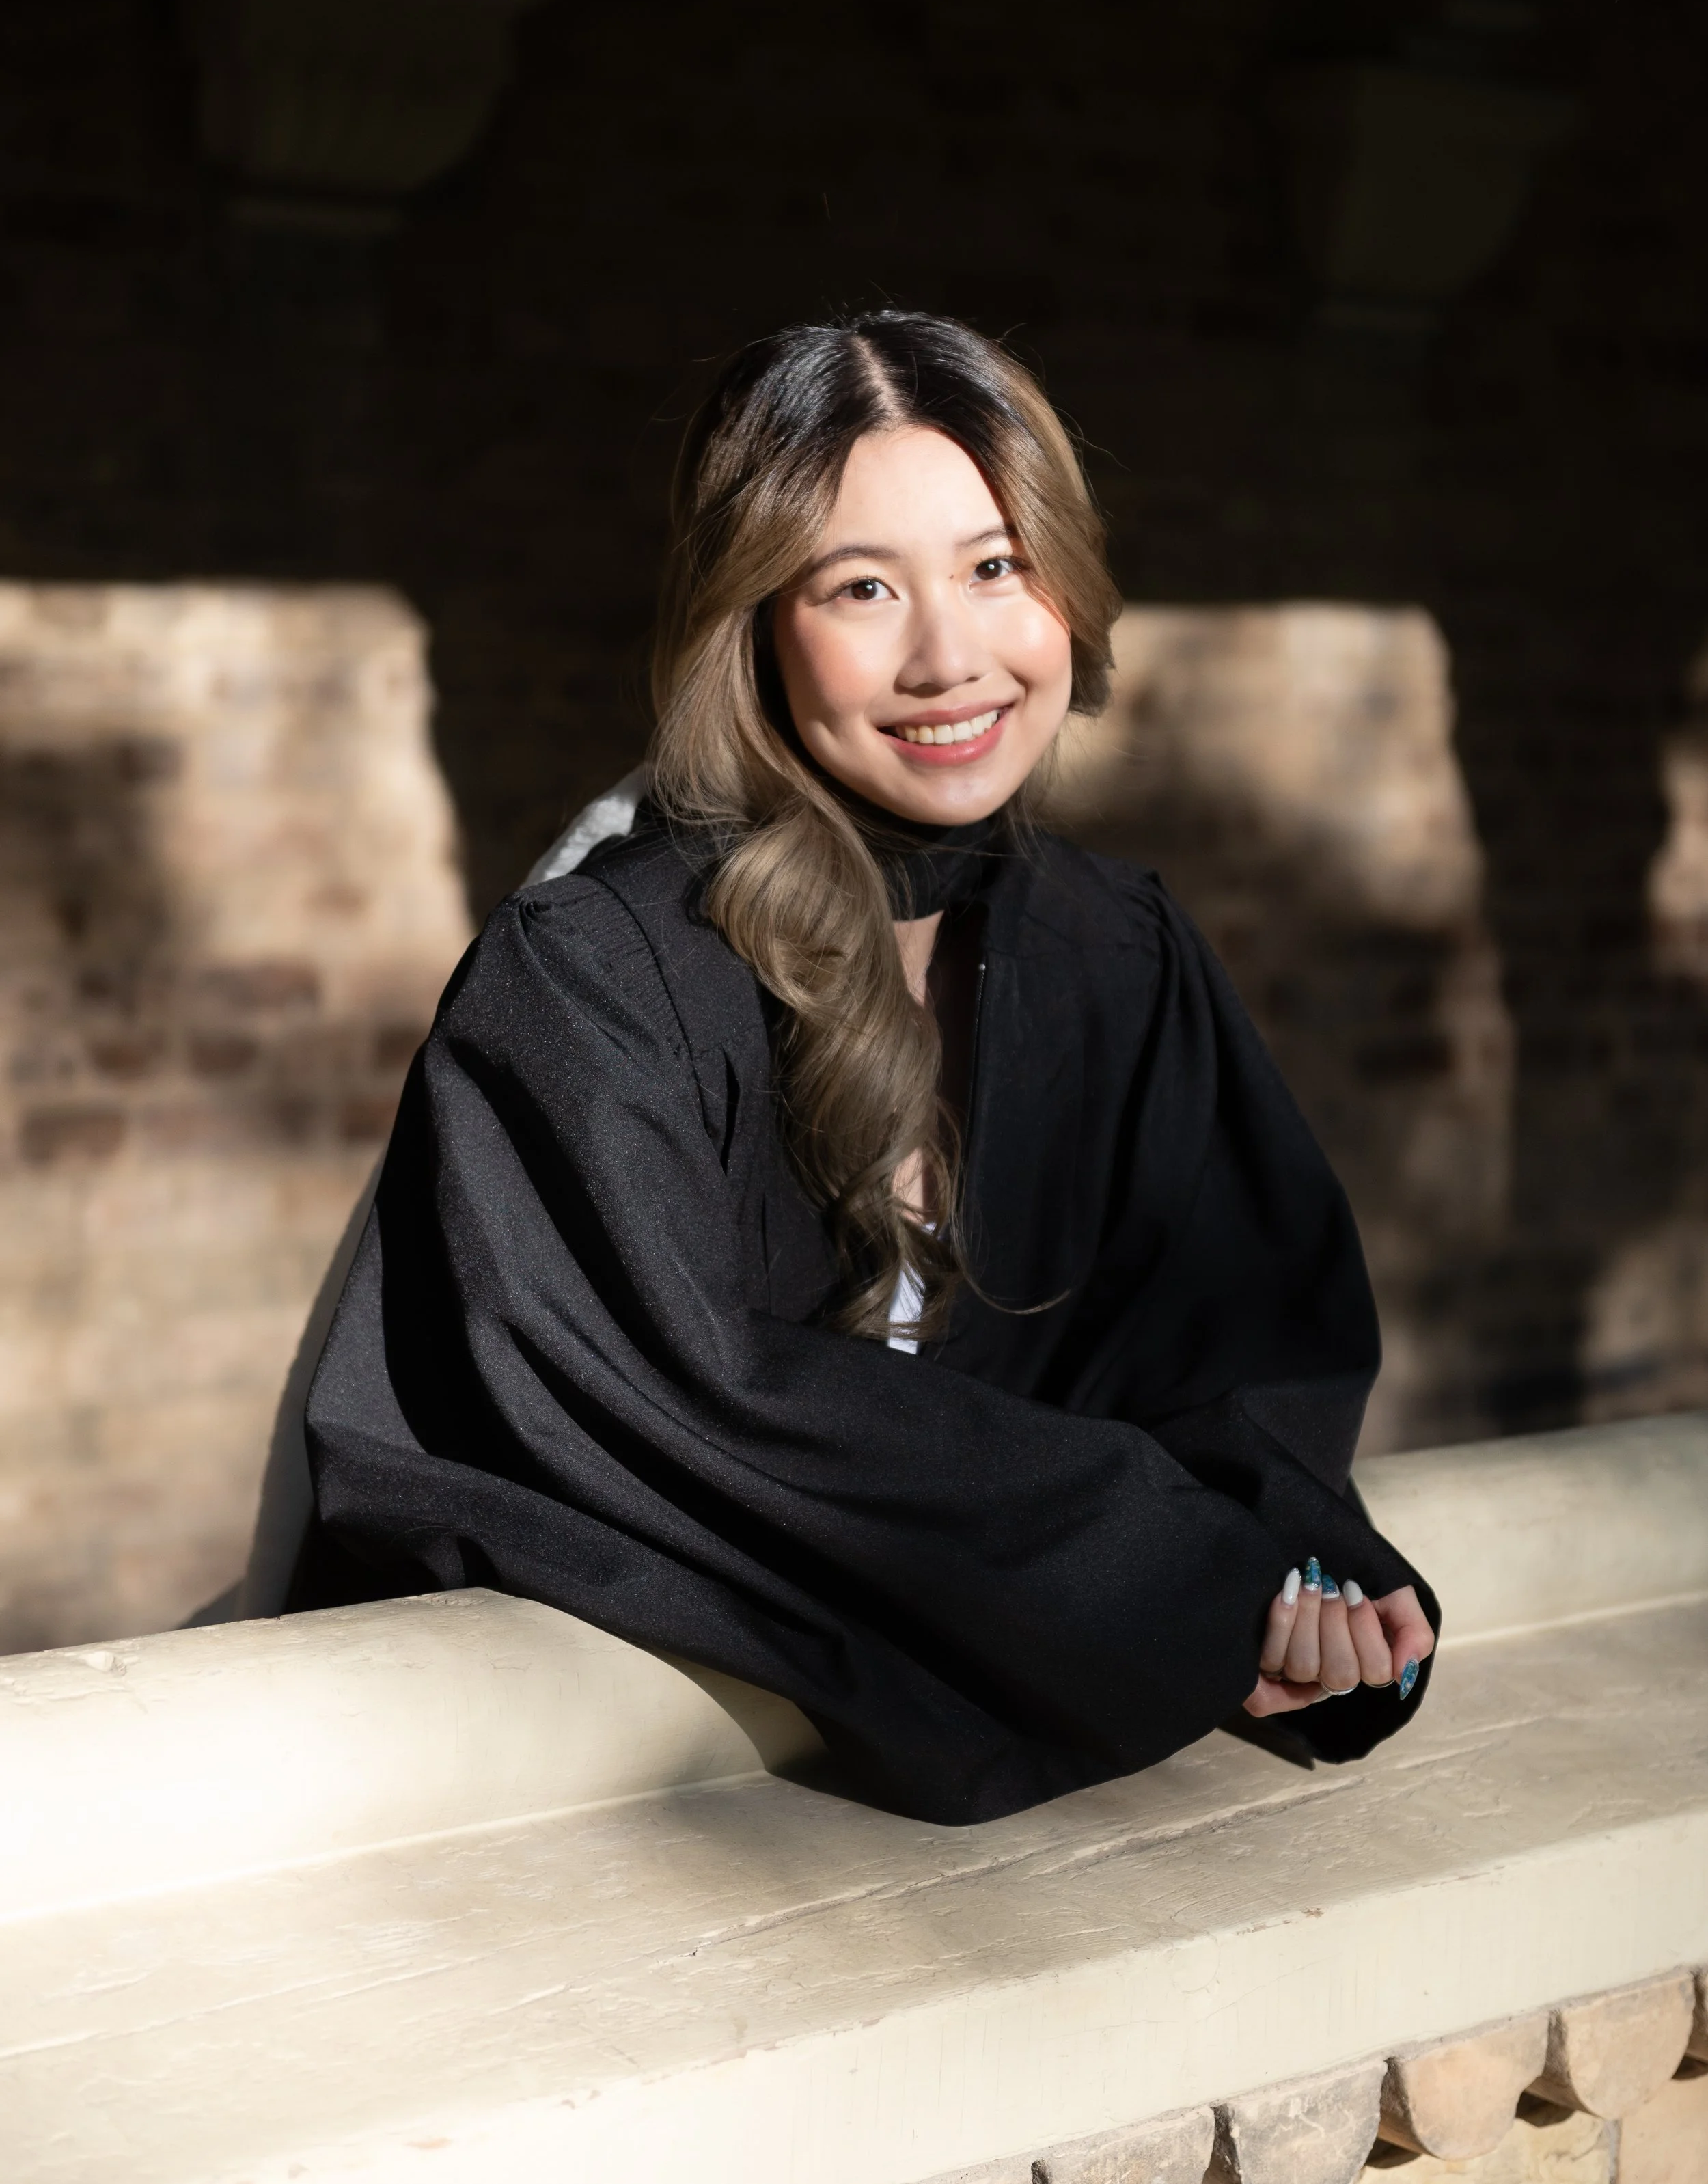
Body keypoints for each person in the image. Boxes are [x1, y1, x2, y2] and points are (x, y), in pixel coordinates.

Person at [294, 311, 1438, 1826]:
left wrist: (1292, 1565)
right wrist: (1163, 1580)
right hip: (567, 1832)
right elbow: (678, 1408)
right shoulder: (589, 981)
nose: (948, 657)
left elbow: (1233, 1345)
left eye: (994, 566)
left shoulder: (1117, 954)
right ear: (755, 623)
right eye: (861, 588)